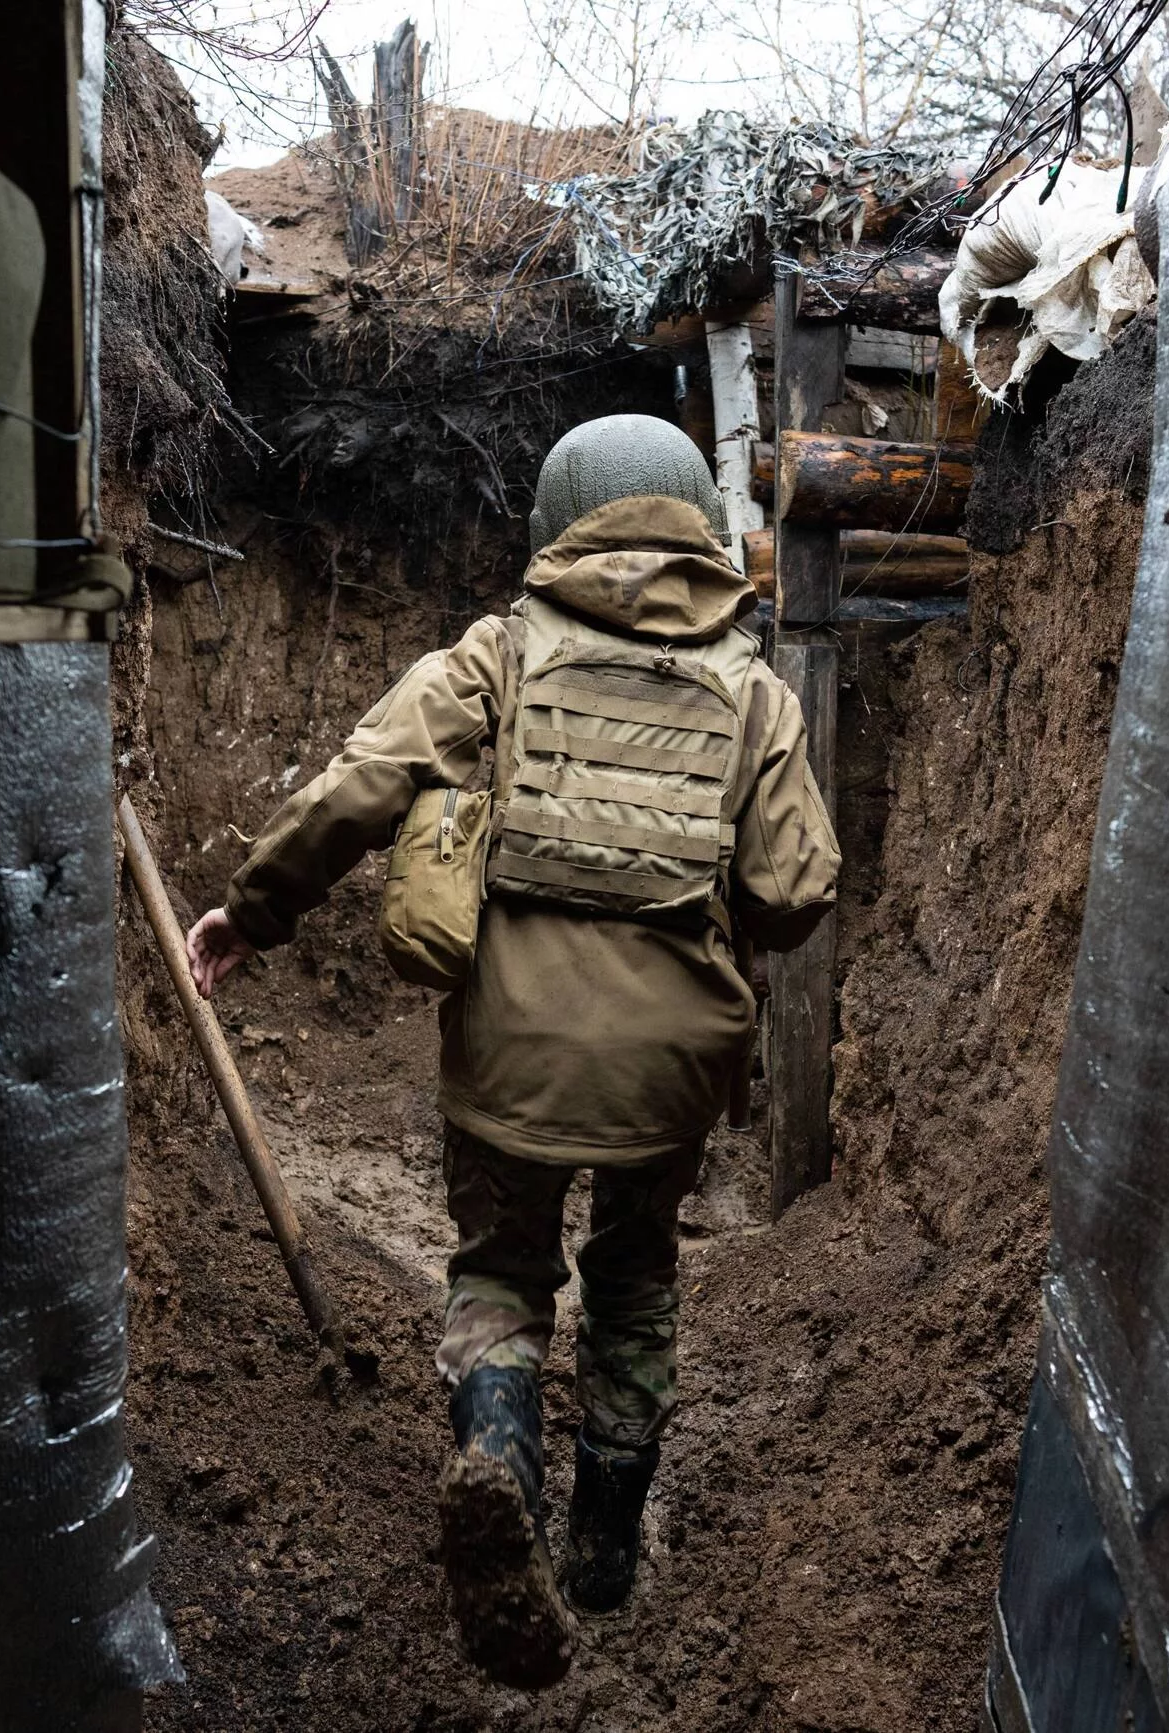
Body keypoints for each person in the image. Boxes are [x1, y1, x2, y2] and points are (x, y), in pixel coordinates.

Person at [183, 414, 840, 1688]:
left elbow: (356, 787)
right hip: (668, 1074)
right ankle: (602, 1548)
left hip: (506, 1054)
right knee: (637, 1276)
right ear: (697, 524)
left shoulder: (498, 656)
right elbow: (798, 887)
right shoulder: (752, 688)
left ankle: (495, 1453)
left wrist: (251, 913)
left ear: (555, 522)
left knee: (498, 1268)